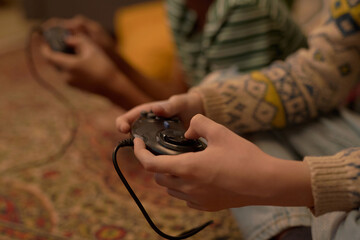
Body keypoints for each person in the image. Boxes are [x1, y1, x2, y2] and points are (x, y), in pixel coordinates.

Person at [116, 0, 360, 239]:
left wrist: (272, 182)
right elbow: (321, 76)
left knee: (349, 226)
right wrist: (202, 104)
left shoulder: (243, 8)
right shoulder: (179, 9)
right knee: (227, 101)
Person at [40, 0, 305, 110]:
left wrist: (109, 84)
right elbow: (179, 96)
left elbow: (219, 141)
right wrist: (113, 55)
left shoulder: (242, 9)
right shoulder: (181, 6)